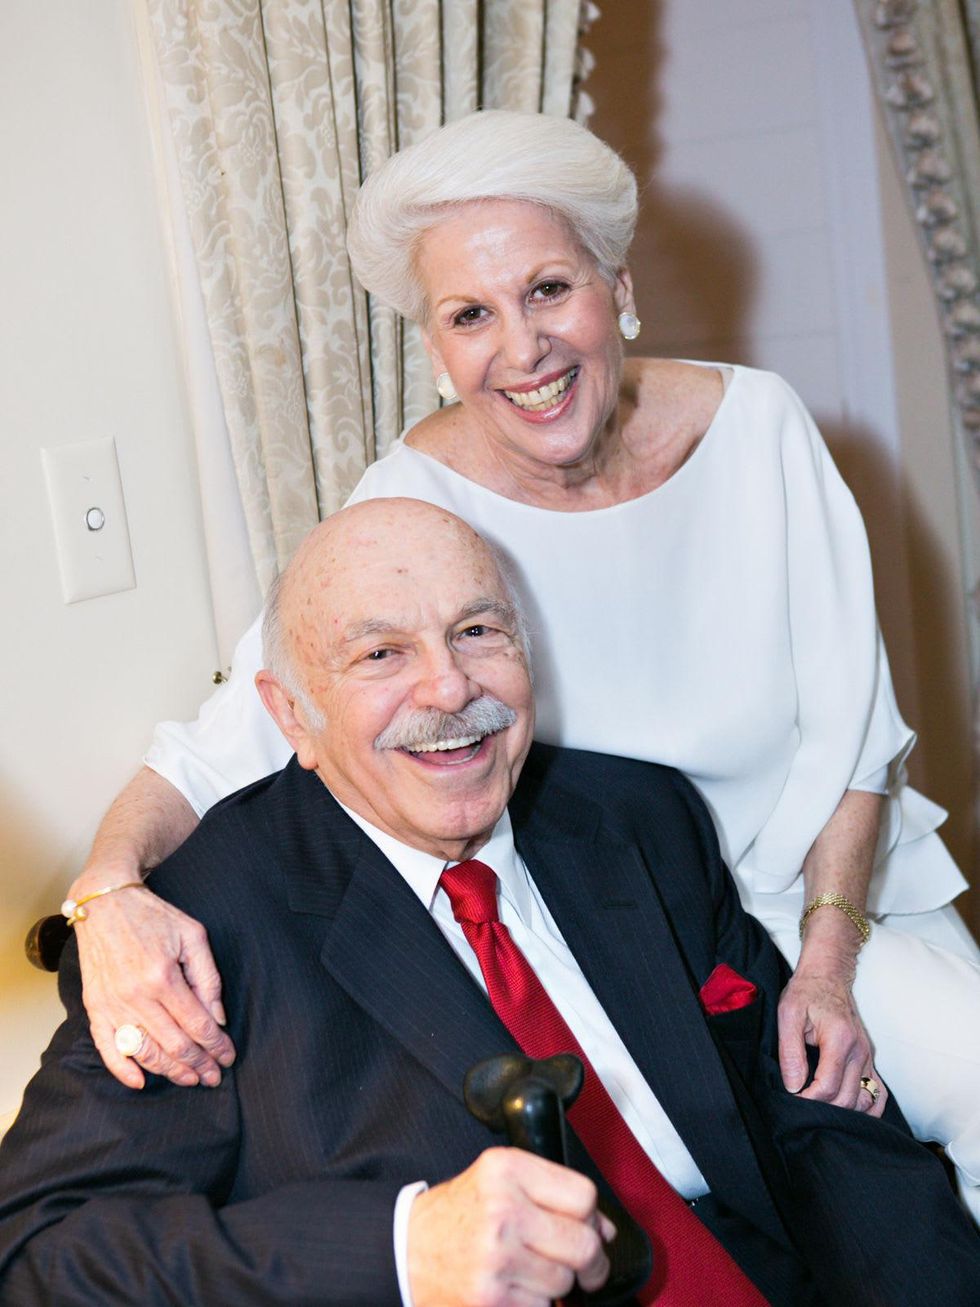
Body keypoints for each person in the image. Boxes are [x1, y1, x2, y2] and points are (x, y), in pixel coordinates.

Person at [61, 111, 980, 1212]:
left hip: (837, 901)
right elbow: (232, 740)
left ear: (618, 287)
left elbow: (858, 738)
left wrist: (827, 967)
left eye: (548, 289)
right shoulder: (412, 504)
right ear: (437, 351)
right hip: (645, 947)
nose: (523, 348)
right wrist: (105, 890)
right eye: (469, 315)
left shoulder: (759, 429)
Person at [3, 499, 978, 1307]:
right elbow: (37, 1250)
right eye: (380, 653)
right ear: (291, 713)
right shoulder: (202, 927)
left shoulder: (636, 817)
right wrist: (397, 1249)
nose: (448, 685)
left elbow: (812, 1122)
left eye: (476, 631)